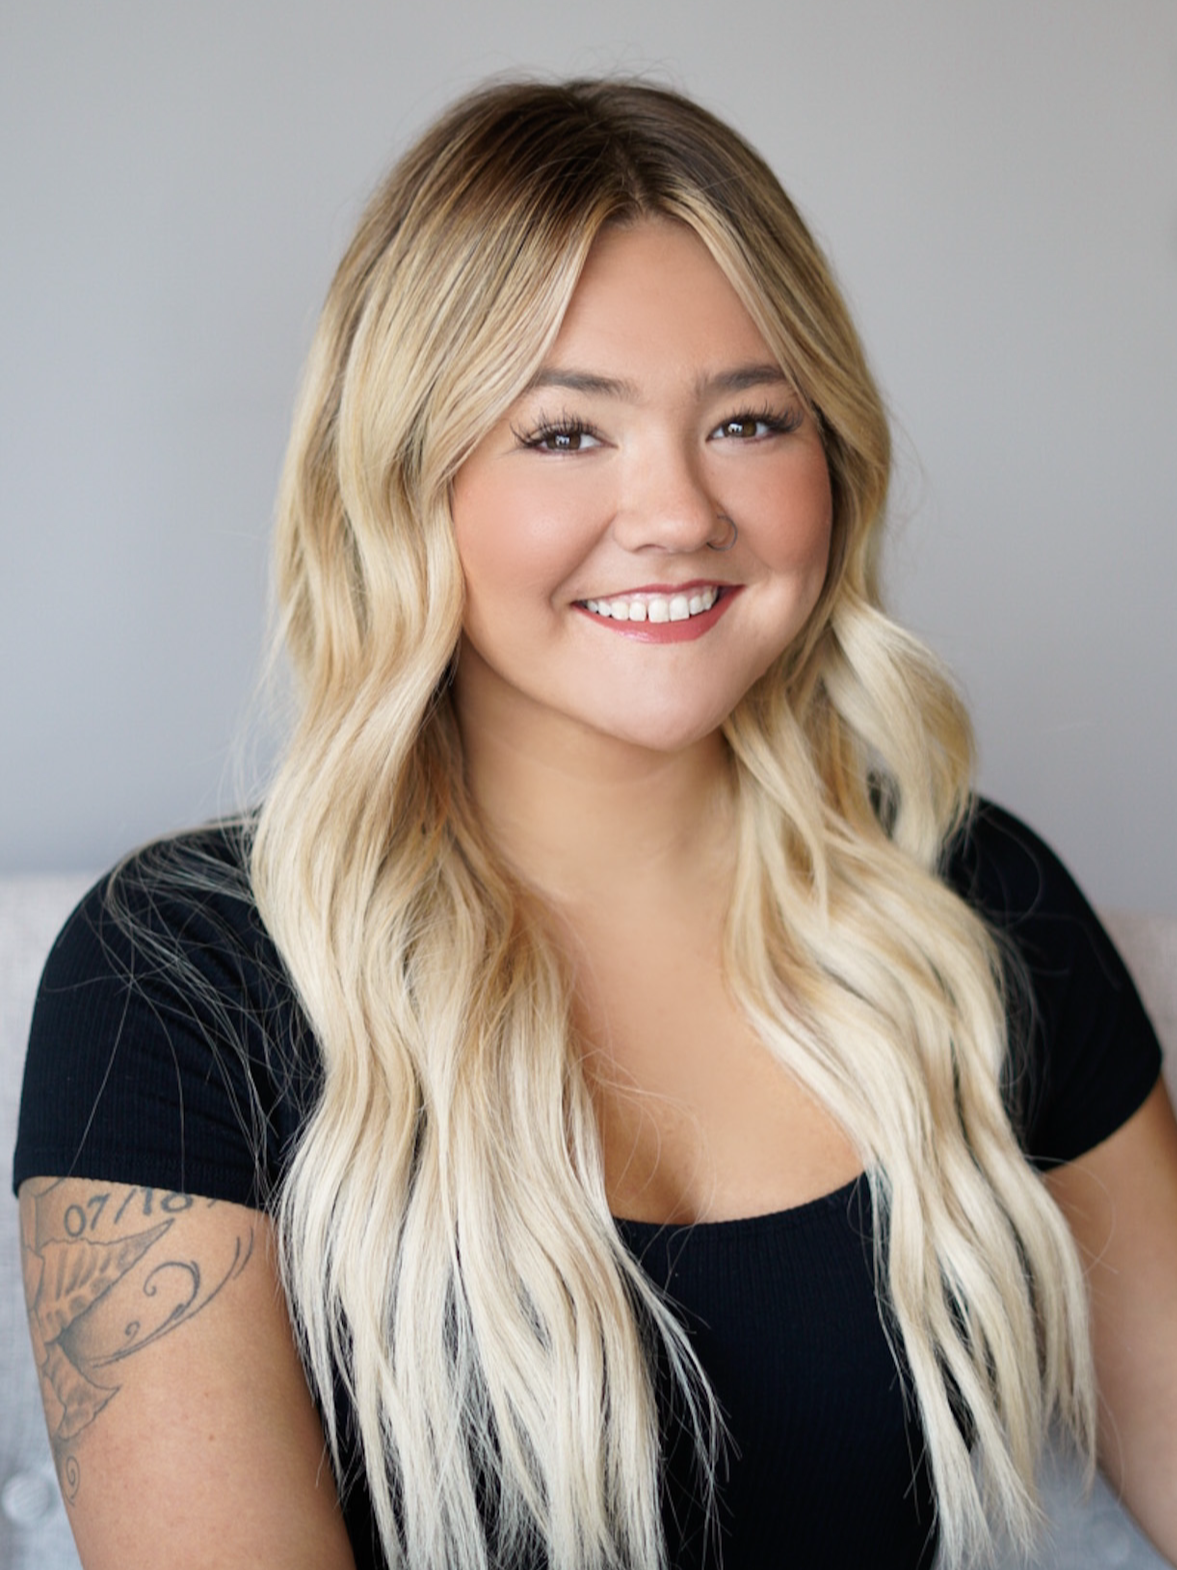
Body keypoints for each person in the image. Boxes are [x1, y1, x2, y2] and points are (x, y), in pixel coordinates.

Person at [13, 78, 1177, 1570]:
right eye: (566, 433)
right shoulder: (170, 979)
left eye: (750, 420)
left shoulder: (972, 902)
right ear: (402, 479)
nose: (680, 512)